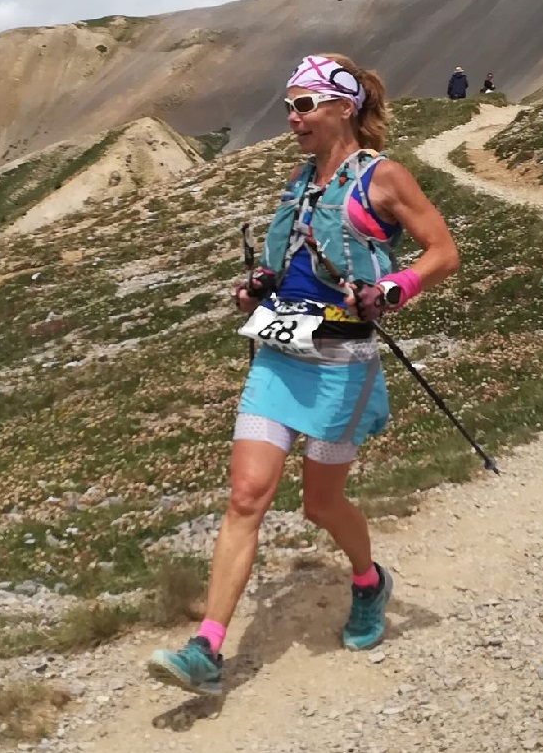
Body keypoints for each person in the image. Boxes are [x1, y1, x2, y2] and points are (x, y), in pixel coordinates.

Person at [145, 53, 461, 696]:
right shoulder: (298, 181)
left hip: (343, 365)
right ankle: (206, 647)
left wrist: (396, 287)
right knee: (246, 496)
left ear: (344, 106)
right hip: (279, 354)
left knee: (320, 505)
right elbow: (293, 262)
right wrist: (258, 287)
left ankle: (369, 582)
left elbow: (443, 251)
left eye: (304, 104)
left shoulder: (385, 178)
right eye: (289, 105)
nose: (292, 118)